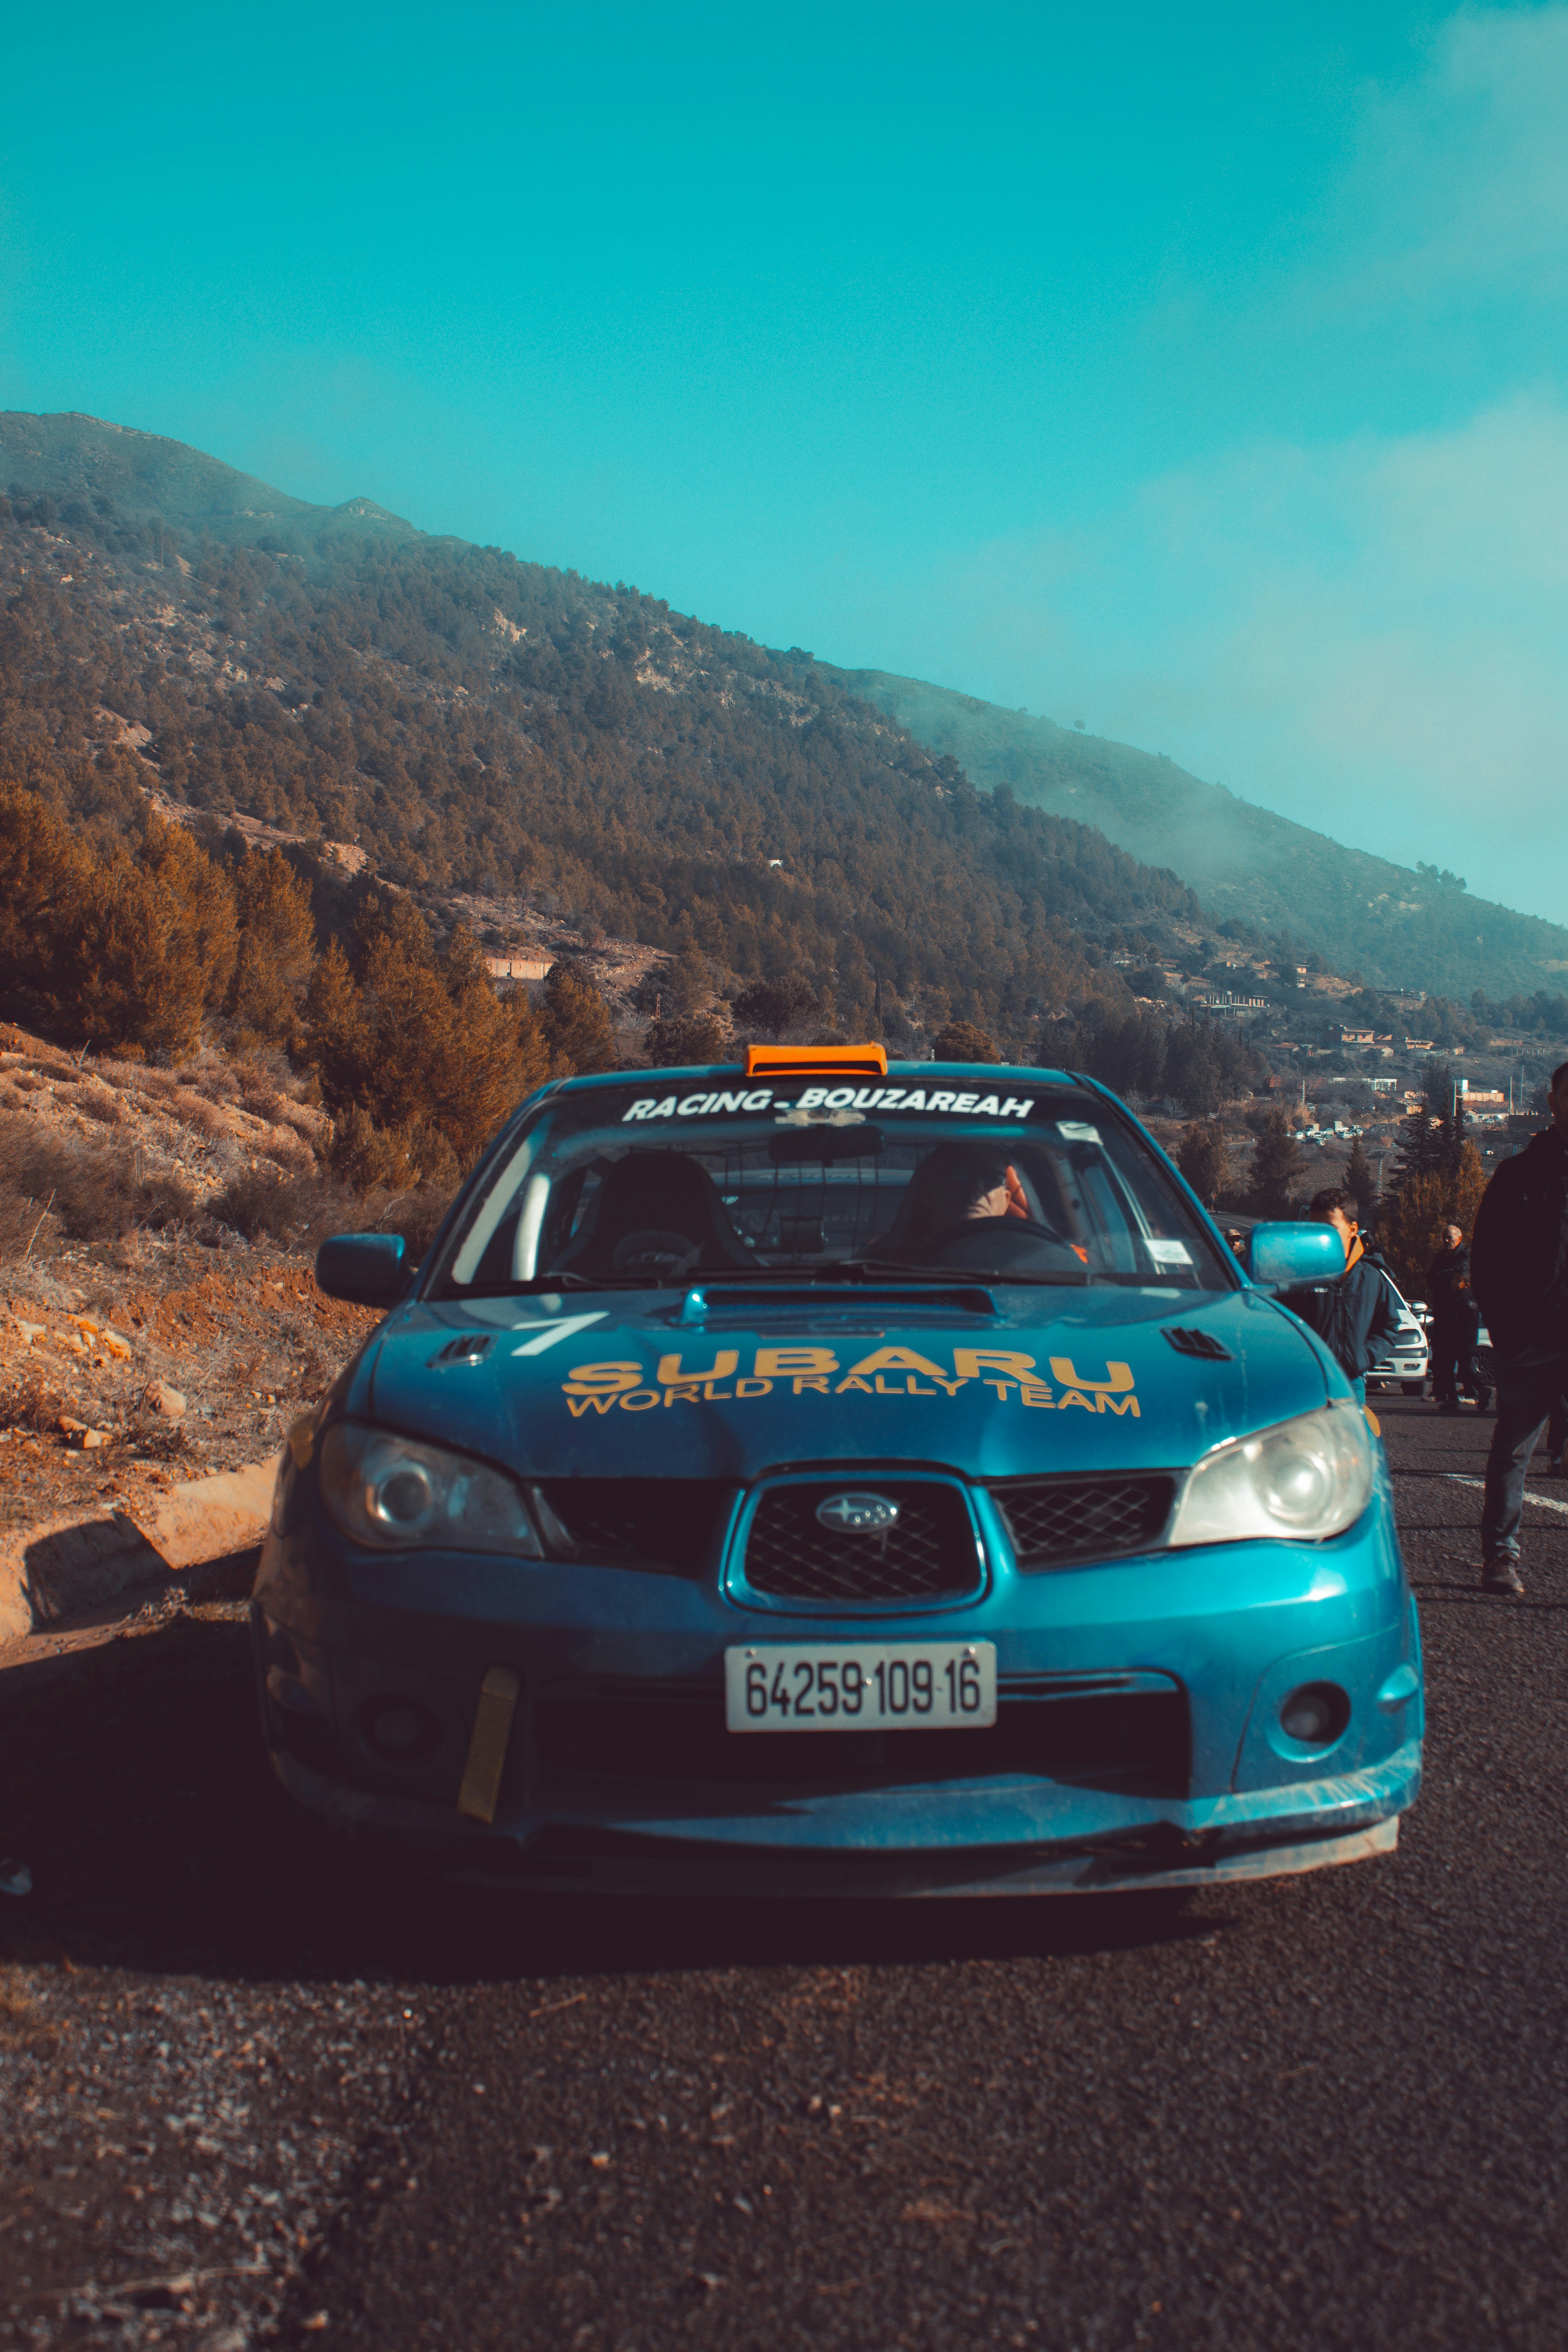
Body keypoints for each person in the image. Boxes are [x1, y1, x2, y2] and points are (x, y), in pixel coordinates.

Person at [1470, 1061, 1568, 1594]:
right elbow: (1485, 1263)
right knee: (1512, 1453)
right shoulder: (1518, 1176)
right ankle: (1501, 1558)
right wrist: (1509, 1335)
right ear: (1553, 1100)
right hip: (1529, 1345)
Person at [1279, 1186, 1401, 1412]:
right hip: (1304, 1383)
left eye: (1330, 1228)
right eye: (1315, 1228)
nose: (1322, 1236)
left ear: (1352, 1229)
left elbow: (1390, 1325)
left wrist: (1361, 1358)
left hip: (1351, 1384)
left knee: (1350, 1446)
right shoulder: (1296, 1277)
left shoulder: (1372, 1278)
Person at [1426, 1222, 1480, 1413]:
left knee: (1465, 1357)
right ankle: (1441, 1392)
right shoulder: (1440, 1257)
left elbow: (1462, 1275)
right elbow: (1430, 1280)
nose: (1447, 1240)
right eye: (1444, 1237)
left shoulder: (1467, 1255)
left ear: (1460, 1238)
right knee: (1441, 1355)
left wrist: (1445, 1275)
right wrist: (1447, 1276)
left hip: (1462, 1313)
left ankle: (1473, 1393)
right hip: (1443, 1312)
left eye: (1450, 1237)